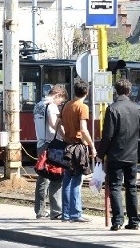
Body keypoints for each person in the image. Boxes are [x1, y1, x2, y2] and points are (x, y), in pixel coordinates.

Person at [98, 78, 140, 231]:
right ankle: (134, 221)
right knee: (132, 187)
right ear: (130, 91)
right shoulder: (138, 108)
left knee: (115, 187)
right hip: (132, 155)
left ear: (116, 91)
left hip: (115, 155)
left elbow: (107, 135)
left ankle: (117, 221)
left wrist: (101, 153)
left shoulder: (112, 109)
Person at [60, 80, 97, 223]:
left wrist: (66, 137)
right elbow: (83, 129)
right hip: (78, 148)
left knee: (67, 180)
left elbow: (59, 125)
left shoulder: (66, 105)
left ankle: (65, 214)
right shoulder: (82, 107)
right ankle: (75, 214)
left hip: (67, 146)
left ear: (74, 91)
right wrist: (92, 145)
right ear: (86, 92)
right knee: (76, 180)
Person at [33, 84, 67, 220]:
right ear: (57, 95)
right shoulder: (51, 106)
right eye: (61, 101)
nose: (61, 104)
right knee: (56, 178)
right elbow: (54, 124)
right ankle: (56, 211)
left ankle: (40, 211)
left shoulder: (38, 105)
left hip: (40, 143)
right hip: (51, 145)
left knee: (42, 178)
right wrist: (65, 136)